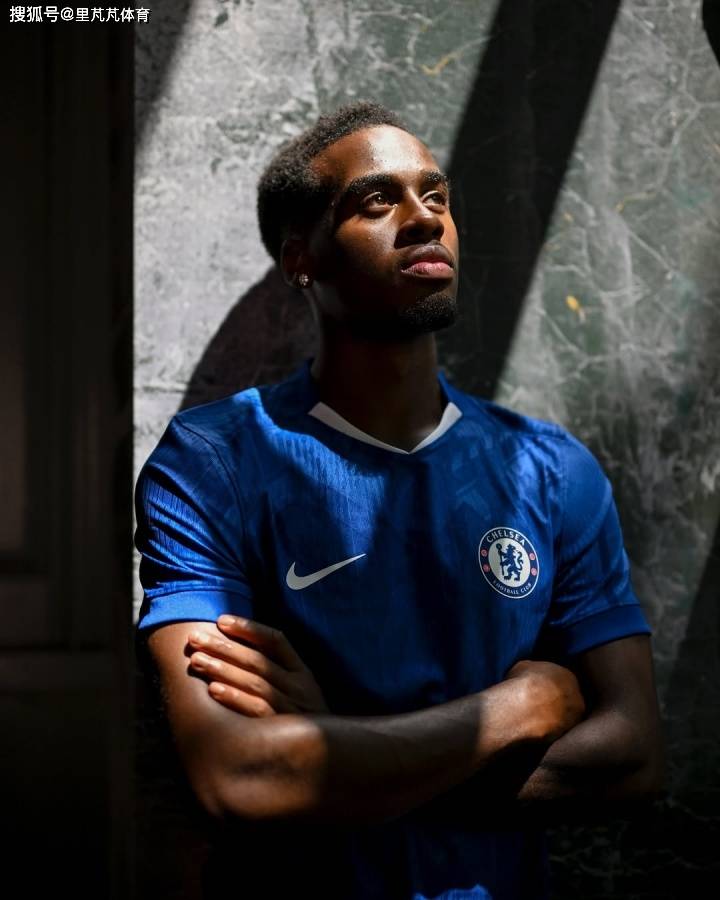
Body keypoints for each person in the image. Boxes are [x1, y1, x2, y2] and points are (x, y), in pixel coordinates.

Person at [134, 100, 664, 899]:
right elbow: (236, 775)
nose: (424, 218)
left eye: (436, 195)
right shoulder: (213, 462)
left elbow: (634, 756)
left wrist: (335, 746)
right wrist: (516, 709)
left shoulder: (551, 468)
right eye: (377, 201)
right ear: (301, 260)